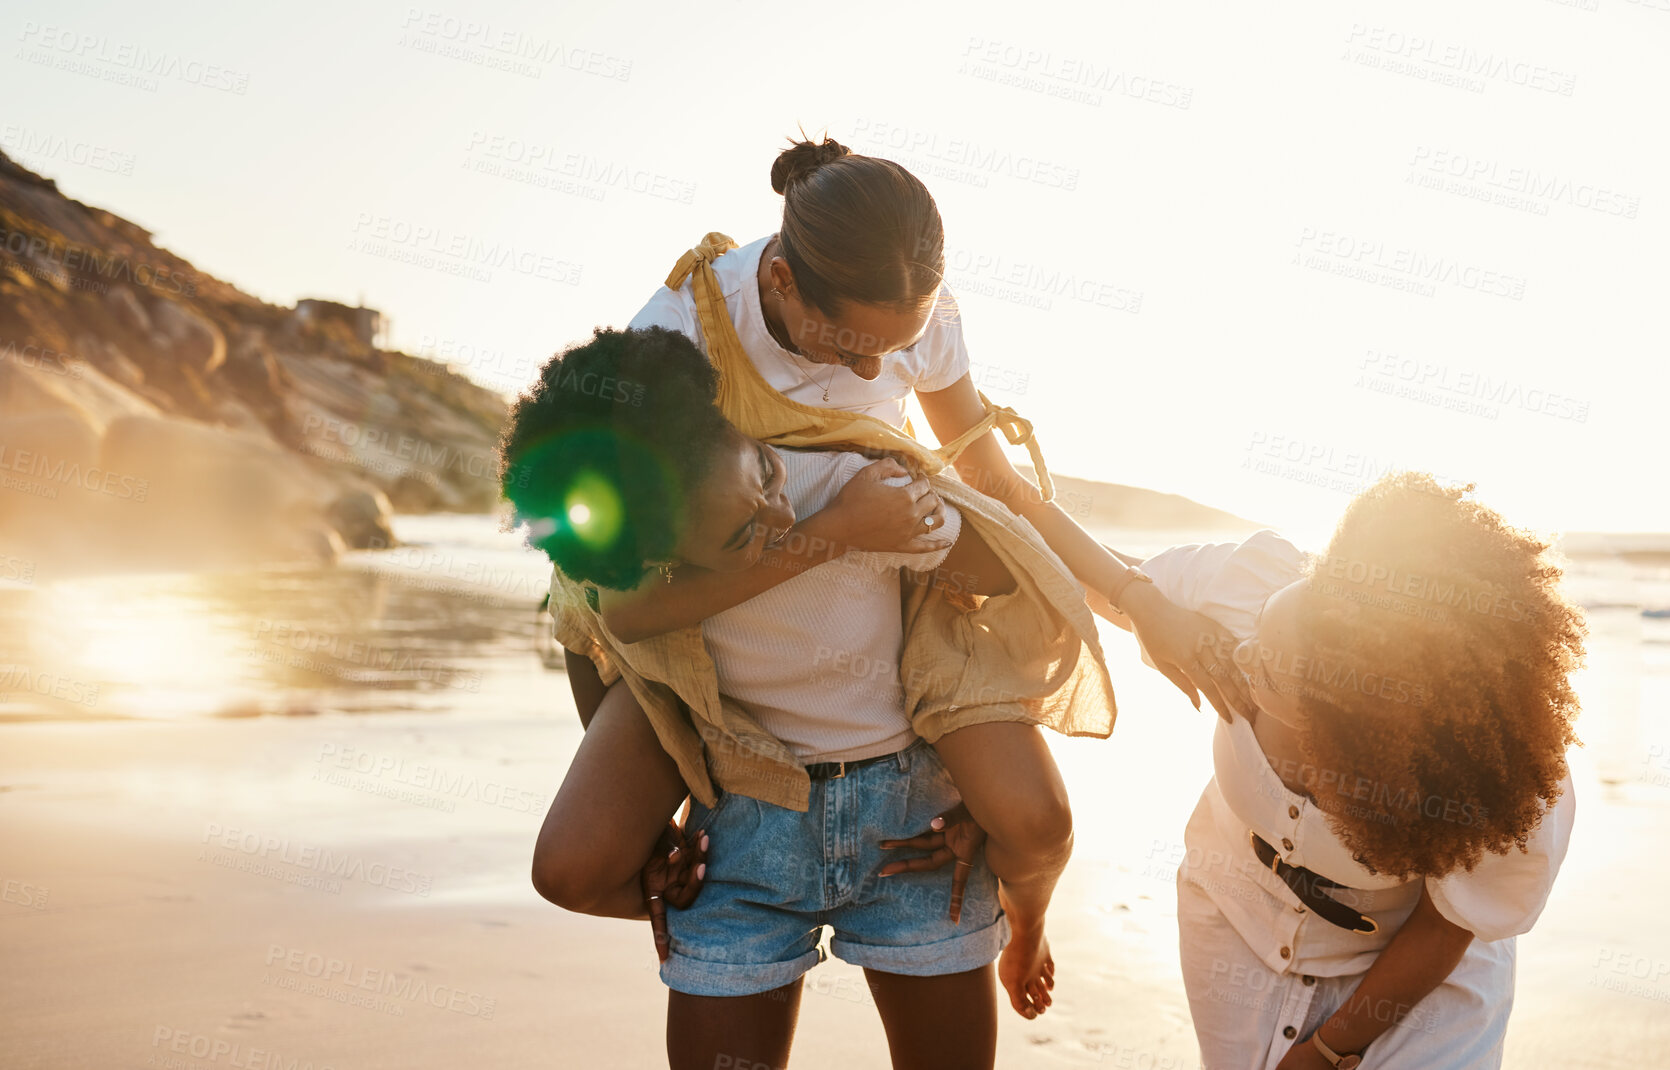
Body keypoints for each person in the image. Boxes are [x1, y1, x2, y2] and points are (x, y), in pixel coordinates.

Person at [528, 134, 1250, 1026]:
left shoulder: (919, 319)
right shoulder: (676, 343)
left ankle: (1024, 917)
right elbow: (611, 603)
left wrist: (1142, 605)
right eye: (857, 351)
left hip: (883, 619)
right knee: (582, 855)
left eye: (897, 349)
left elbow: (995, 487)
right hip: (707, 638)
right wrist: (833, 536)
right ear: (783, 283)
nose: (879, 376)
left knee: (1033, 817)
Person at [505, 326, 1082, 1069]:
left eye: (765, 475)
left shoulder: (849, 476)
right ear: (665, 565)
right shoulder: (639, 576)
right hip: (744, 840)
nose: (780, 518)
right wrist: (656, 837)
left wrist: (900, 521)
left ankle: (1024, 920)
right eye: (746, 533)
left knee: (1041, 825)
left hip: (907, 826)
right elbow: (591, 640)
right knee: (566, 872)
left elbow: (1008, 572)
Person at [1088, 473, 1582, 1069]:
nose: (1241, 653)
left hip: (1415, 964)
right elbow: (1104, 579)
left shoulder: (1493, 788)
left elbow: (1442, 930)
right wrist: (995, 496)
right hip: (1235, 920)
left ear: (1349, 719)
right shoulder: (1259, 593)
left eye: (1270, 666)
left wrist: (1326, 1050)